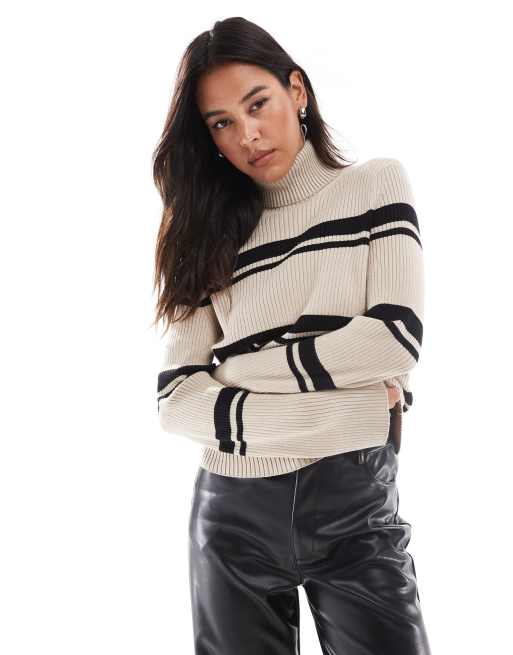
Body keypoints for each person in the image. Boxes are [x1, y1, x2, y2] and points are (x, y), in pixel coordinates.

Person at [152, 16, 432, 655]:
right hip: (232, 517)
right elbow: (174, 399)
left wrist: (237, 370)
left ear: (297, 91)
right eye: (221, 123)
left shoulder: (374, 186)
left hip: (354, 509)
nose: (247, 134)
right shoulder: (203, 235)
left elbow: (394, 339)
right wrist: (353, 411)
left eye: (258, 104)